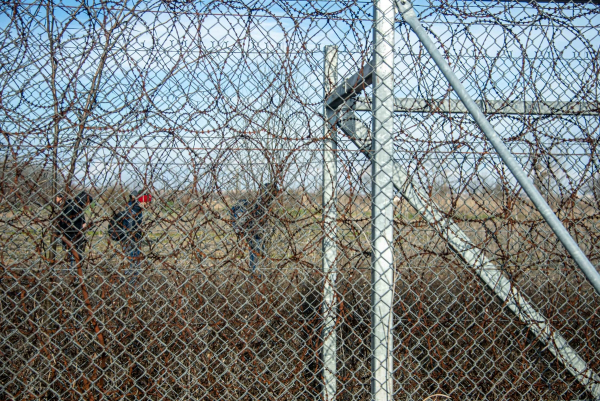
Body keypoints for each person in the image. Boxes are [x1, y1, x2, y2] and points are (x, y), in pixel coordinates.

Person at [231, 183, 279, 272]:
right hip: (252, 233)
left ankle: (257, 273)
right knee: (255, 249)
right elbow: (234, 210)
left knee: (258, 250)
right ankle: (255, 274)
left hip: (256, 233)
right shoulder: (250, 205)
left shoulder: (262, 207)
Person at [122, 190, 151, 283]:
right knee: (134, 254)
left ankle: (131, 272)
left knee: (132, 254)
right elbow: (131, 222)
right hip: (132, 235)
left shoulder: (132, 205)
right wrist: (131, 234)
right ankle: (133, 275)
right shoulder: (136, 208)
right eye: (147, 203)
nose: (148, 205)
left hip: (131, 234)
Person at [55, 192, 85, 273]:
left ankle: (70, 269)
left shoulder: (71, 206)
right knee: (70, 251)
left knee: (71, 251)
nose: (56, 199)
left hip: (71, 232)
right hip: (69, 232)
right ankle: (70, 269)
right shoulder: (70, 206)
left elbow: (82, 221)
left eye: (57, 197)